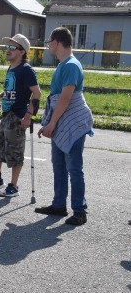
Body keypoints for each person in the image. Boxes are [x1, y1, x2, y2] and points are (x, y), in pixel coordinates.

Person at [35, 26, 94, 226]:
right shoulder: (64, 65)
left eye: (50, 42)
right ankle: (59, 205)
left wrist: (51, 123)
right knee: (59, 166)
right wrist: (52, 123)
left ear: (57, 42)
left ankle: (80, 210)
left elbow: (66, 98)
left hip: (73, 123)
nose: (48, 46)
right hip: (62, 121)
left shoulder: (71, 65)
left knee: (74, 168)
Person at [0, 34, 41, 198]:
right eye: (7, 47)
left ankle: (13, 185)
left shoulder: (26, 70)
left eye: (12, 47)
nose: (7, 50)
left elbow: (36, 94)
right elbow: (10, 88)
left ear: (22, 52)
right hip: (6, 115)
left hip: (17, 116)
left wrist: (29, 116)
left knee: (15, 152)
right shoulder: (12, 68)